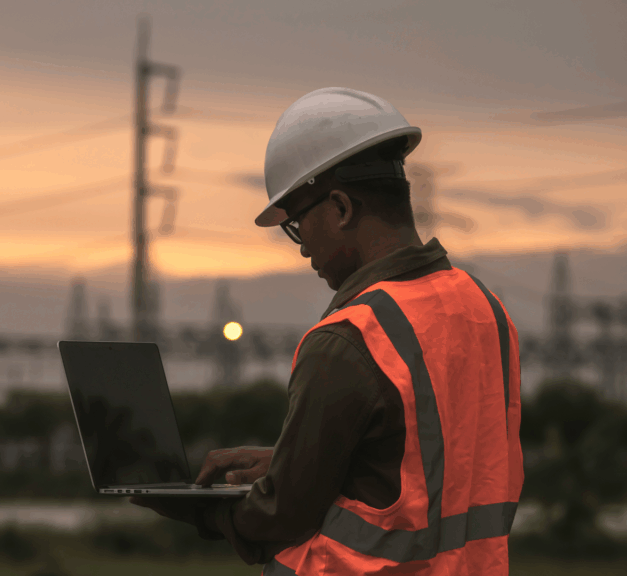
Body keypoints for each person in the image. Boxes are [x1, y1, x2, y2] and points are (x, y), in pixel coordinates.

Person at [130, 87, 523, 574]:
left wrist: (197, 508)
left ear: (339, 208)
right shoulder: (485, 311)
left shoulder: (348, 341)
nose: (300, 249)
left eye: (296, 224)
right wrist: (288, 460)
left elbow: (282, 514)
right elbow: (436, 463)